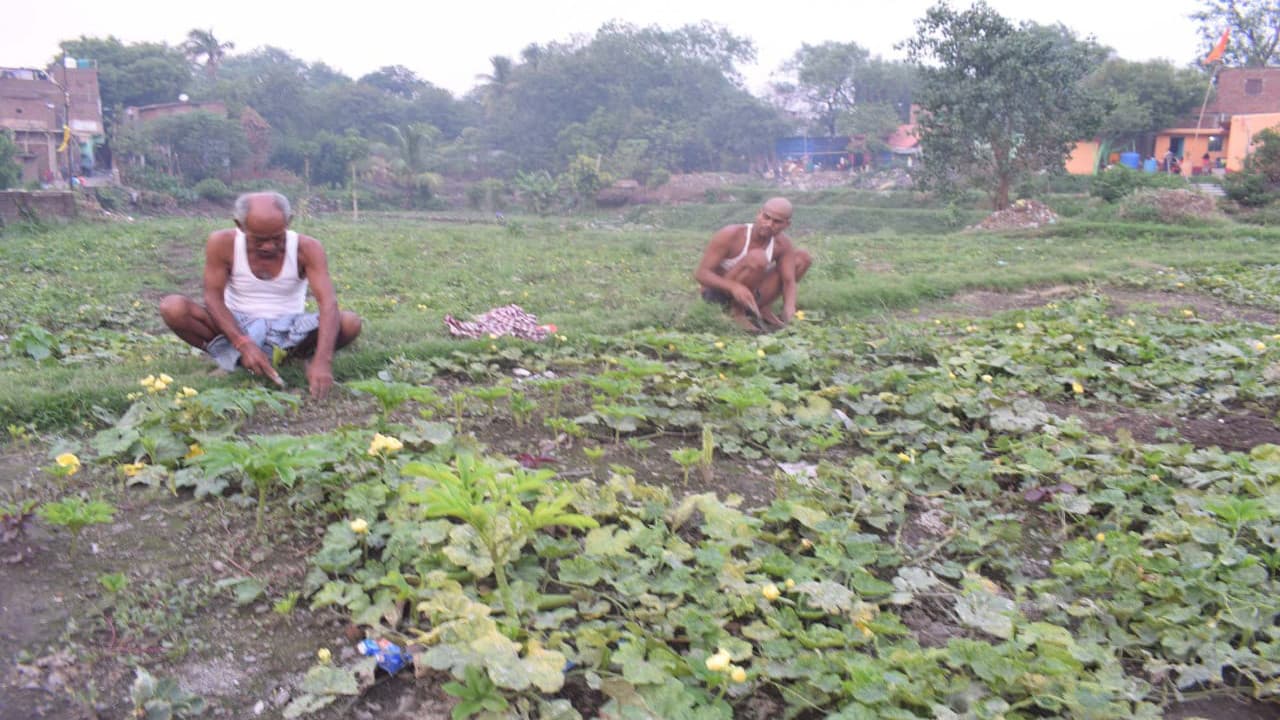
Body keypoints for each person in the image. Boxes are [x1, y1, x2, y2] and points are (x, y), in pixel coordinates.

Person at [159, 191, 361, 399]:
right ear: (240, 225)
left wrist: (323, 360)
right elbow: (213, 299)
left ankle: (293, 358)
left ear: (288, 222)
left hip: (288, 330)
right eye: (259, 240)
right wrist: (243, 343)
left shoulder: (308, 248)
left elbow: (328, 303)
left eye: (277, 238)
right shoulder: (222, 243)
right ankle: (234, 359)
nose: (269, 246)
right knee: (173, 308)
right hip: (236, 324)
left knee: (349, 323)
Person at [694, 197, 812, 332]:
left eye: (777, 221)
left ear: (786, 225)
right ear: (759, 213)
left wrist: (789, 308)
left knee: (802, 258)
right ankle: (736, 314)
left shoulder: (782, 244)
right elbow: (701, 274)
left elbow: (789, 281)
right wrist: (733, 287)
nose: (769, 224)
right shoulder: (731, 234)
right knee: (758, 257)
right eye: (766, 217)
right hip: (718, 295)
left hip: (749, 296)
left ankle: (761, 308)